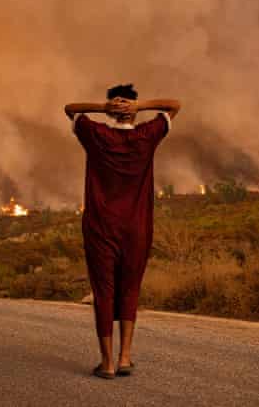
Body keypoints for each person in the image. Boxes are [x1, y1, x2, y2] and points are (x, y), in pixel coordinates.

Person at [64, 84, 181, 379]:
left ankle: (107, 364)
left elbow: (69, 109)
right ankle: (125, 357)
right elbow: (174, 105)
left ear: (112, 107)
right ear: (131, 108)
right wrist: (140, 107)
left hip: (101, 227)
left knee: (104, 292)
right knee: (130, 289)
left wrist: (102, 109)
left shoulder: (95, 135)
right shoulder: (147, 135)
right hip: (137, 228)